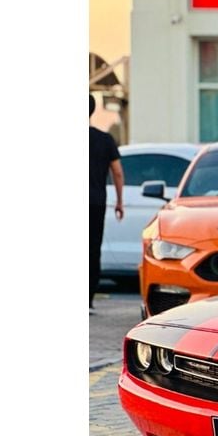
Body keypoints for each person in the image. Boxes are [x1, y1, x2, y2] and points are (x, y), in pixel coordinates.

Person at [90, 95, 125, 313]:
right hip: (96, 202)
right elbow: (118, 173)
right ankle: (88, 299)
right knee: (93, 250)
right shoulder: (105, 140)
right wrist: (120, 201)